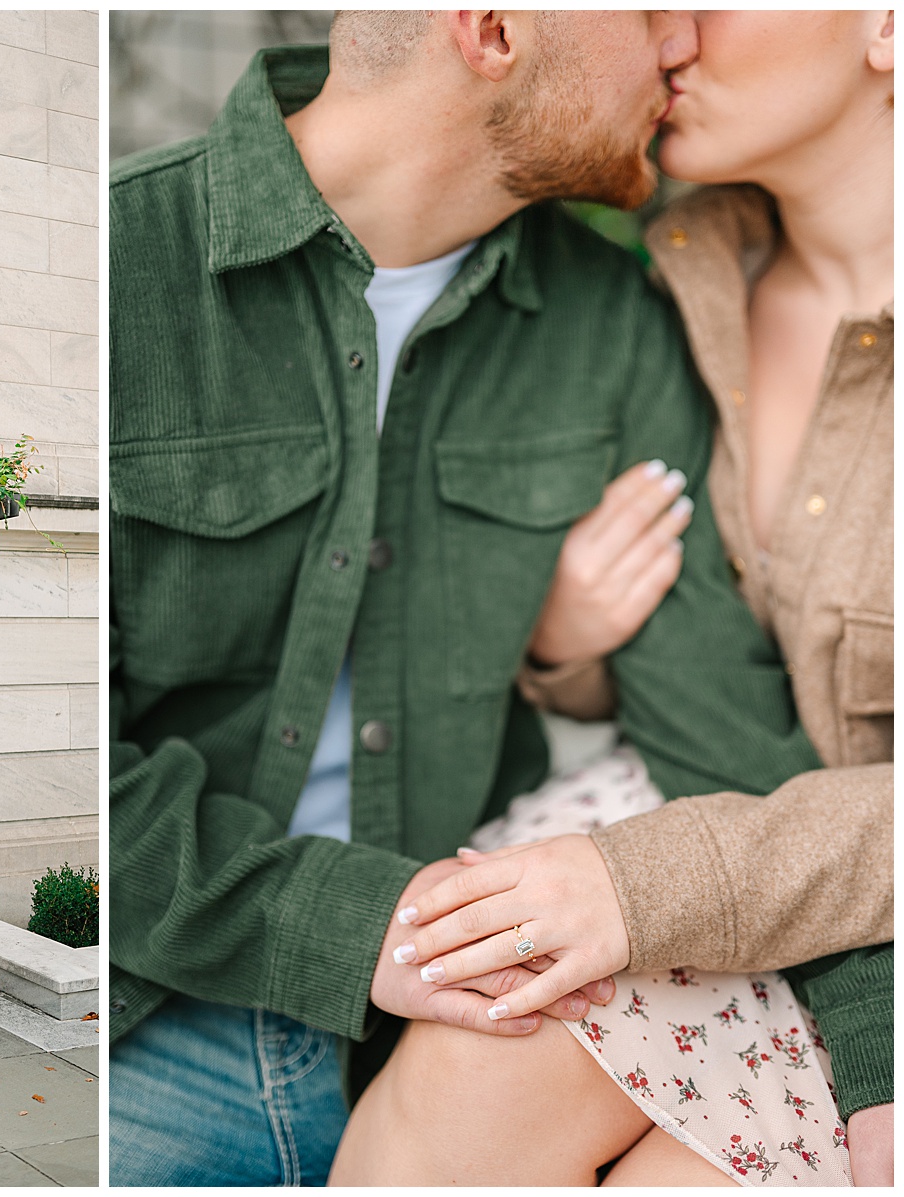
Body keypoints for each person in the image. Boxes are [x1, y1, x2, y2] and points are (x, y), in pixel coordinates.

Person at [109, 11, 861, 1186]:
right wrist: (354, 927)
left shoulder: (614, 318)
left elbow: (728, 741)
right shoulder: (113, 268)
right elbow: (45, 779)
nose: (681, 46)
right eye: (652, 13)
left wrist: (881, 1069)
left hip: (478, 993)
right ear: (494, 27)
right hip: (158, 1004)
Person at [333, 9, 893, 1186]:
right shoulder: (690, 279)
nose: (669, 37)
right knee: (453, 1085)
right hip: (695, 804)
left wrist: (647, 885)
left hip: (822, 880)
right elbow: (701, 655)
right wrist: (560, 643)